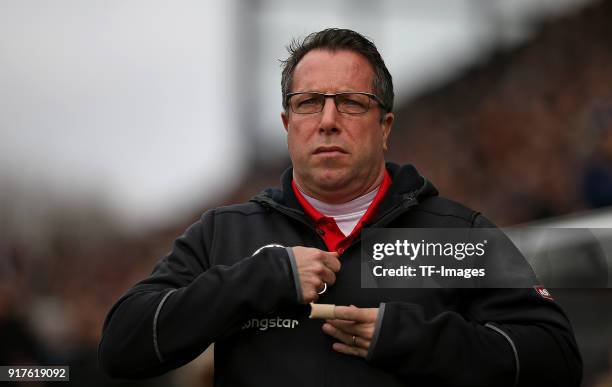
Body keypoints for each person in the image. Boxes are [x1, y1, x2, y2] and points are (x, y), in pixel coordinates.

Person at [98, 28, 582, 386]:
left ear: (385, 125)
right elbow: (122, 346)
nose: (328, 121)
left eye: (350, 102)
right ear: (287, 123)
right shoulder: (224, 234)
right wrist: (257, 280)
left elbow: (557, 359)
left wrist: (411, 338)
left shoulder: (459, 234)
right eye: (309, 103)